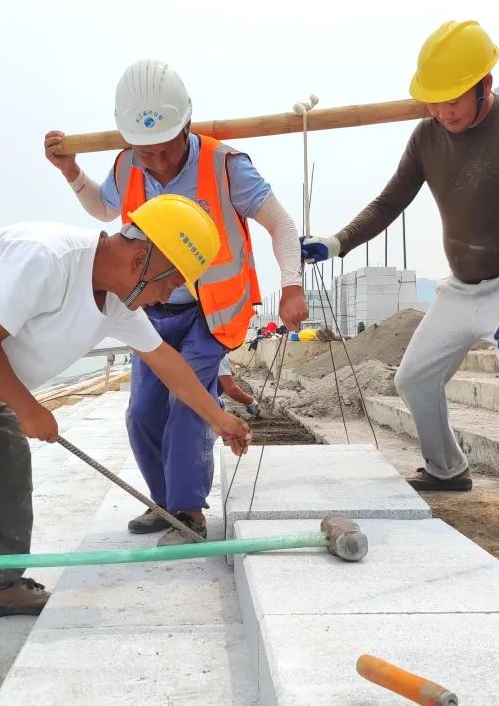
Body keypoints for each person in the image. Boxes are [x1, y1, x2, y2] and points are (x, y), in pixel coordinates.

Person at [0, 196, 251, 699]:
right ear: (141, 260)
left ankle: (1, 587)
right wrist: (28, 408)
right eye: (170, 284)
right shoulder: (46, 257)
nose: (163, 299)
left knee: (6, 474)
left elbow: (166, 362)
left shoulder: (117, 300)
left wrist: (220, 418)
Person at [302, 20, 499, 545]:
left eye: (452, 101)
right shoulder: (427, 136)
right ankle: (447, 469)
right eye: (433, 101)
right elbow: (389, 202)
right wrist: (336, 243)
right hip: (462, 287)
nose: (442, 112)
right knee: (413, 378)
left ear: (484, 85)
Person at [45, 59, 308, 546]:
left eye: (167, 150)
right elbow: (103, 208)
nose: (159, 163)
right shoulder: (127, 164)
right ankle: (165, 503)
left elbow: (281, 224)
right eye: (147, 154)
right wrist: (72, 173)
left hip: (213, 313)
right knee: (143, 412)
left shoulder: (226, 165)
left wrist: (291, 284)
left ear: (187, 126)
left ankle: (189, 512)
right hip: (150, 309)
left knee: (189, 405)